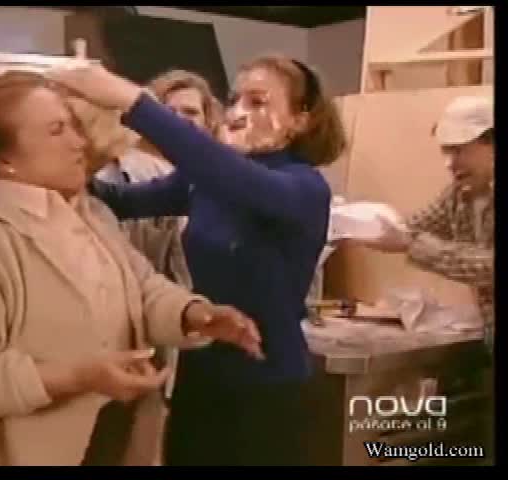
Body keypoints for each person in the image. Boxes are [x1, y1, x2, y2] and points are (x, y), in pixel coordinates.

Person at [0, 71, 264, 466]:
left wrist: (192, 313)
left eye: (73, 126)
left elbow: (140, 286)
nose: (79, 142)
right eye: (57, 131)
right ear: (5, 160)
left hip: (107, 443)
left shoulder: (90, 214)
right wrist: (77, 377)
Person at [48, 53, 347, 465]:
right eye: (235, 99)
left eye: (258, 102)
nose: (238, 113)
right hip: (200, 370)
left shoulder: (303, 188)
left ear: (300, 120)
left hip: (265, 384)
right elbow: (120, 201)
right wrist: (75, 161)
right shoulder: (205, 181)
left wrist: (130, 100)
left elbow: (228, 175)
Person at [70, 70, 224, 465]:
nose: (178, 123)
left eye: (190, 112)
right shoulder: (125, 177)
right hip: (121, 343)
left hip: (176, 338)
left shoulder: (215, 180)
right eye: (168, 113)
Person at [346, 95, 494, 350]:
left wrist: (412, 244)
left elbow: (489, 266)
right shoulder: (459, 194)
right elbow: (412, 227)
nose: (449, 163)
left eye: (459, 150)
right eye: (445, 150)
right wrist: (353, 224)